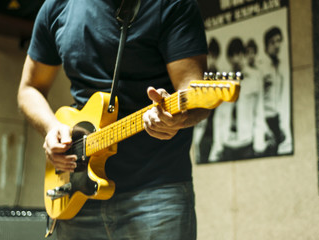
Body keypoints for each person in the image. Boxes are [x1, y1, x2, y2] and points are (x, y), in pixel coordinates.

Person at [17, 0, 209, 239]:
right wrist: (51, 127)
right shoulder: (56, 6)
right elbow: (29, 89)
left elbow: (195, 94)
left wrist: (176, 119)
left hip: (157, 194)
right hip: (76, 191)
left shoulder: (172, 4)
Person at [208, 37, 268, 162]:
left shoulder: (254, 78)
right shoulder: (223, 82)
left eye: (239, 54)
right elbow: (218, 117)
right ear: (229, 58)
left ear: (243, 55)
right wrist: (217, 147)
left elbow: (259, 112)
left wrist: (259, 145)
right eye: (232, 55)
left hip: (247, 142)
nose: (236, 58)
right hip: (227, 144)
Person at [262, 26, 291, 155]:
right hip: (265, 119)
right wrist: (263, 127)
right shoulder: (261, 67)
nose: (276, 45)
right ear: (266, 45)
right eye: (272, 42)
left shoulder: (280, 66)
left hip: (277, 119)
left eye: (279, 41)